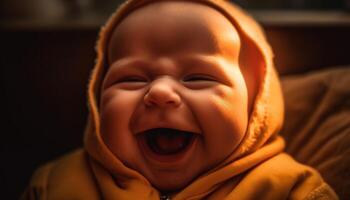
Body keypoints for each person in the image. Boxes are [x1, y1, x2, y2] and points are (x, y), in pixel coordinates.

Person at [22, 0, 338, 199]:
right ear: (96, 99)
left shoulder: (289, 189)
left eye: (199, 77)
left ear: (257, 107)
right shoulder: (55, 185)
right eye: (131, 79)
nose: (159, 92)